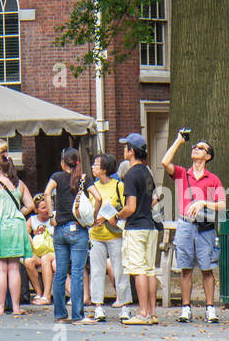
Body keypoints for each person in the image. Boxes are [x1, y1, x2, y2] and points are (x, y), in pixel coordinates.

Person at [162, 131, 224, 324]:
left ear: (208, 156)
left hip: (205, 228)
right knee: (185, 268)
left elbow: (221, 204)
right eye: (194, 146)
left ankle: (210, 308)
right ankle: (186, 308)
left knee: (207, 268)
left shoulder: (213, 179)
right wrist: (179, 140)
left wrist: (204, 202)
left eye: (201, 147)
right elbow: (165, 162)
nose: (195, 149)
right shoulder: (182, 173)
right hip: (185, 225)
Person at [44, 148, 96, 325]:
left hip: (59, 229)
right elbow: (98, 196)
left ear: (63, 163)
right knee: (76, 273)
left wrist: (51, 216)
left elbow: (46, 193)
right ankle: (77, 315)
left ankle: (60, 314)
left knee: (60, 272)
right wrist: (92, 217)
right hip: (78, 228)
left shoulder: (57, 177)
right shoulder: (83, 178)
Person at [0, 153, 33, 316]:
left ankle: (1, 307)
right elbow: (30, 205)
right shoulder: (19, 184)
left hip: (0, 227)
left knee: (1, 268)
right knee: (14, 268)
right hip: (17, 226)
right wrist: (16, 214)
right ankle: (16, 308)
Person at [116, 136, 161, 326]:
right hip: (150, 225)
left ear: (131, 151)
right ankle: (151, 313)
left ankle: (142, 313)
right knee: (150, 270)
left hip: (136, 227)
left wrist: (117, 215)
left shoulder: (131, 175)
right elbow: (153, 200)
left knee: (138, 269)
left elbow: (130, 207)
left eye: (126, 147)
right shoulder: (147, 173)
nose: (124, 150)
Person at [85, 153, 128, 322]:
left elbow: (124, 208)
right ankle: (98, 307)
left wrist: (112, 216)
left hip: (114, 234)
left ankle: (124, 305)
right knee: (96, 271)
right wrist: (93, 218)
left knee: (120, 270)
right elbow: (89, 209)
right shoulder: (93, 187)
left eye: (96, 164)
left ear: (104, 168)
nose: (93, 167)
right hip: (96, 234)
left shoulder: (119, 185)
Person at [24, 194, 56, 306]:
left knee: (45, 259)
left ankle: (47, 295)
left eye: (48, 206)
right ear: (36, 210)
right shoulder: (32, 220)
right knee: (28, 261)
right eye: (43, 208)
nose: (47, 210)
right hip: (38, 251)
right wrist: (31, 238)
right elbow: (25, 233)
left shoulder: (54, 216)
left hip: (53, 251)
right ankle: (39, 293)